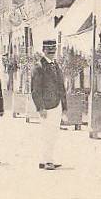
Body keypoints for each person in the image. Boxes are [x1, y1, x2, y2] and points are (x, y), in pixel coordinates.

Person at [30, 39, 67, 170]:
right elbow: (35, 90)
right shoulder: (39, 67)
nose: (51, 52)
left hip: (57, 104)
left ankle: (45, 159)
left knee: (53, 134)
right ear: (43, 50)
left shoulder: (56, 65)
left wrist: (64, 107)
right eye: (48, 50)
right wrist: (40, 108)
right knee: (47, 134)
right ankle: (48, 161)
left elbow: (61, 86)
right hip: (46, 106)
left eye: (53, 50)